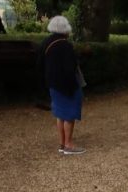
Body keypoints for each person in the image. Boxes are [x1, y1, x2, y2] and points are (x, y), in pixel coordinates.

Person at [39, 15, 85, 155]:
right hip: (67, 85)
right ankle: (69, 145)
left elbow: (39, 64)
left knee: (60, 114)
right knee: (70, 115)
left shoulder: (46, 42)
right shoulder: (65, 45)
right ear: (66, 29)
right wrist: (74, 87)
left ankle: (62, 142)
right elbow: (69, 69)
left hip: (53, 84)